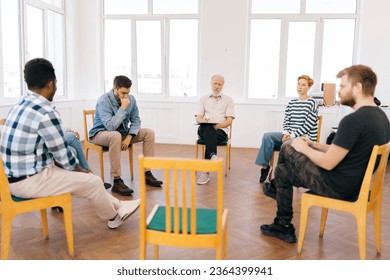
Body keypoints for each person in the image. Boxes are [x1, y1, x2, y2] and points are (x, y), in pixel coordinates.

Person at [0, 58, 140, 229]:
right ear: (51, 84)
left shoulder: (19, 106)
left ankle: (120, 205)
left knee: (88, 178)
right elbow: (62, 155)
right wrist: (81, 170)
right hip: (29, 182)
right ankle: (114, 217)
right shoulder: (46, 112)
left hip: (13, 178)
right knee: (93, 181)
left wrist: (79, 171)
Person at [260, 64, 390, 243]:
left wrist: (303, 148)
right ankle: (281, 222)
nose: (339, 91)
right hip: (354, 184)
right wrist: (313, 144)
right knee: (283, 172)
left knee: (288, 146)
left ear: (358, 87)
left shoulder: (353, 121)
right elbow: (343, 151)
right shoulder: (381, 117)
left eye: (343, 86)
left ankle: (280, 210)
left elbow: (328, 163)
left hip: (337, 186)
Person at [88, 75, 163, 196]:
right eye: (123, 93)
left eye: (128, 92)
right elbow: (110, 127)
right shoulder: (104, 101)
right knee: (115, 135)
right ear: (115, 88)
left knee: (149, 133)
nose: (126, 96)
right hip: (100, 133)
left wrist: (129, 137)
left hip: (122, 133)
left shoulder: (131, 100)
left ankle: (147, 173)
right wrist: (123, 108)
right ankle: (117, 181)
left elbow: (136, 121)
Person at [255, 75, 319, 183]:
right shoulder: (292, 102)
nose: (300, 87)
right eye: (298, 84)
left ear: (309, 87)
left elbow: (308, 125)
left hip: (303, 138)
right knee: (267, 136)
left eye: (303, 85)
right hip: (289, 135)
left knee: (286, 145)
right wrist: (285, 133)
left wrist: (292, 135)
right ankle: (266, 168)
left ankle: (281, 175)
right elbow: (287, 120)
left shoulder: (313, 103)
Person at [195, 74, 235, 184]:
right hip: (204, 129)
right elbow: (198, 117)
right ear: (211, 84)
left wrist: (218, 126)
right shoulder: (203, 98)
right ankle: (212, 155)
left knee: (210, 133)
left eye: (219, 84)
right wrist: (203, 121)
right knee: (208, 128)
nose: (217, 86)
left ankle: (205, 172)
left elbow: (229, 120)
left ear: (223, 86)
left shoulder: (228, 100)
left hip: (220, 131)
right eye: (215, 83)